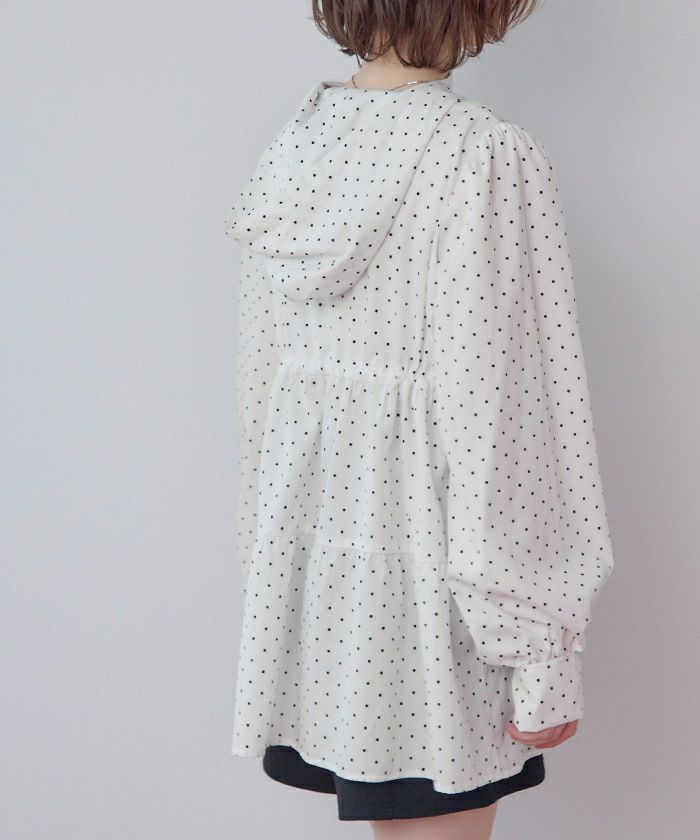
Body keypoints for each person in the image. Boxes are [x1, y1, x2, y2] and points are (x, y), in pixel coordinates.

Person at [224, 1, 615, 837]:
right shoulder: (482, 158)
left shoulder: (297, 149)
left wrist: (275, 582)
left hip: (322, 589)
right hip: (439, 596)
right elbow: (508, 422)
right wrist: (539, 651)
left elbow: (264, 400)